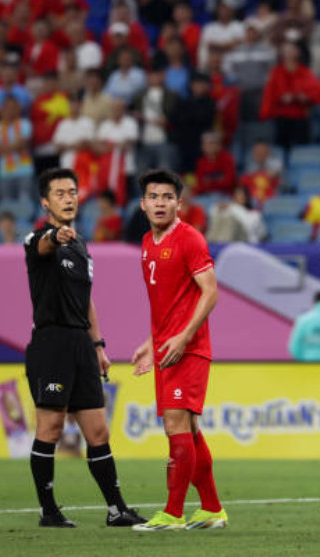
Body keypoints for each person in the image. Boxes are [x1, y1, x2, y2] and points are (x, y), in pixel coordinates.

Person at [23, 168, 144, 528]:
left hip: (80, 345)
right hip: (52, 343)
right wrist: (56, 235)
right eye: (59, 193)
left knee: (98, 431)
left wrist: (98, 346)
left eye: (72, 192)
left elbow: (86, 300)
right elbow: (45, 244)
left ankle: (116, 510)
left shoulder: (81, 246)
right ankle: (48, 511)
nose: (68, 198)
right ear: (45, 202)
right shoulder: (38, 239)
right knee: (51, 426)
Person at [130, 169, 227, 531]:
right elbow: (166, 305)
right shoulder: (147, 242)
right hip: (166, 348)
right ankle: (212, 509)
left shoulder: (189, 239)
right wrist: (150, 343)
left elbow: (211, 292)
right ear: (143, 204)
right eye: (153, 197)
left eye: (167, 197)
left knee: (175, 425)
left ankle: (172, 513)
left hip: (189, 348)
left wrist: (184, 337)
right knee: (189, 428)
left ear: (179, 204)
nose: (160, 203)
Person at [259, 41, 320, 151]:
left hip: (300, 117)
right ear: (282, 54)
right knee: (280, 149)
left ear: (298, 52)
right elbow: (270, 95)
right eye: (286, 50)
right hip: (281, 118)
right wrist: (281, 97)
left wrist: (306, 97)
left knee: (302, 151)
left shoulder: (305, 72)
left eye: (292, 50)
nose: (289, 53)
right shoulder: (275, 73)